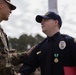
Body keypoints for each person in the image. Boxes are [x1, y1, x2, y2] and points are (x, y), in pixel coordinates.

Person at [0, 0, 16, 75]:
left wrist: (26, 55)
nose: (10, 11)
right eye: (9, 7)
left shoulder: (2, 32)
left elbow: (5, 59)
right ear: (0, 5)